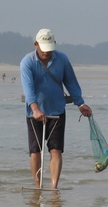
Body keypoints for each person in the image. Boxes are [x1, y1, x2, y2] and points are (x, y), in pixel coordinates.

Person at [20, 28, 92, 189]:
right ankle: (37, 185)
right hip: (34, 113)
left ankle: (54, 188)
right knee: (35, 151)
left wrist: (80, 103)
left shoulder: (62, 59)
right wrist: (35, 109)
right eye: (44, 49)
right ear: (36, 44)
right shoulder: (27, 61)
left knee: (55, 150)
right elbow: (28, 87)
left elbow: (71, 83)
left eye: (50, 49)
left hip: (57, 111)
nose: (47, 53)